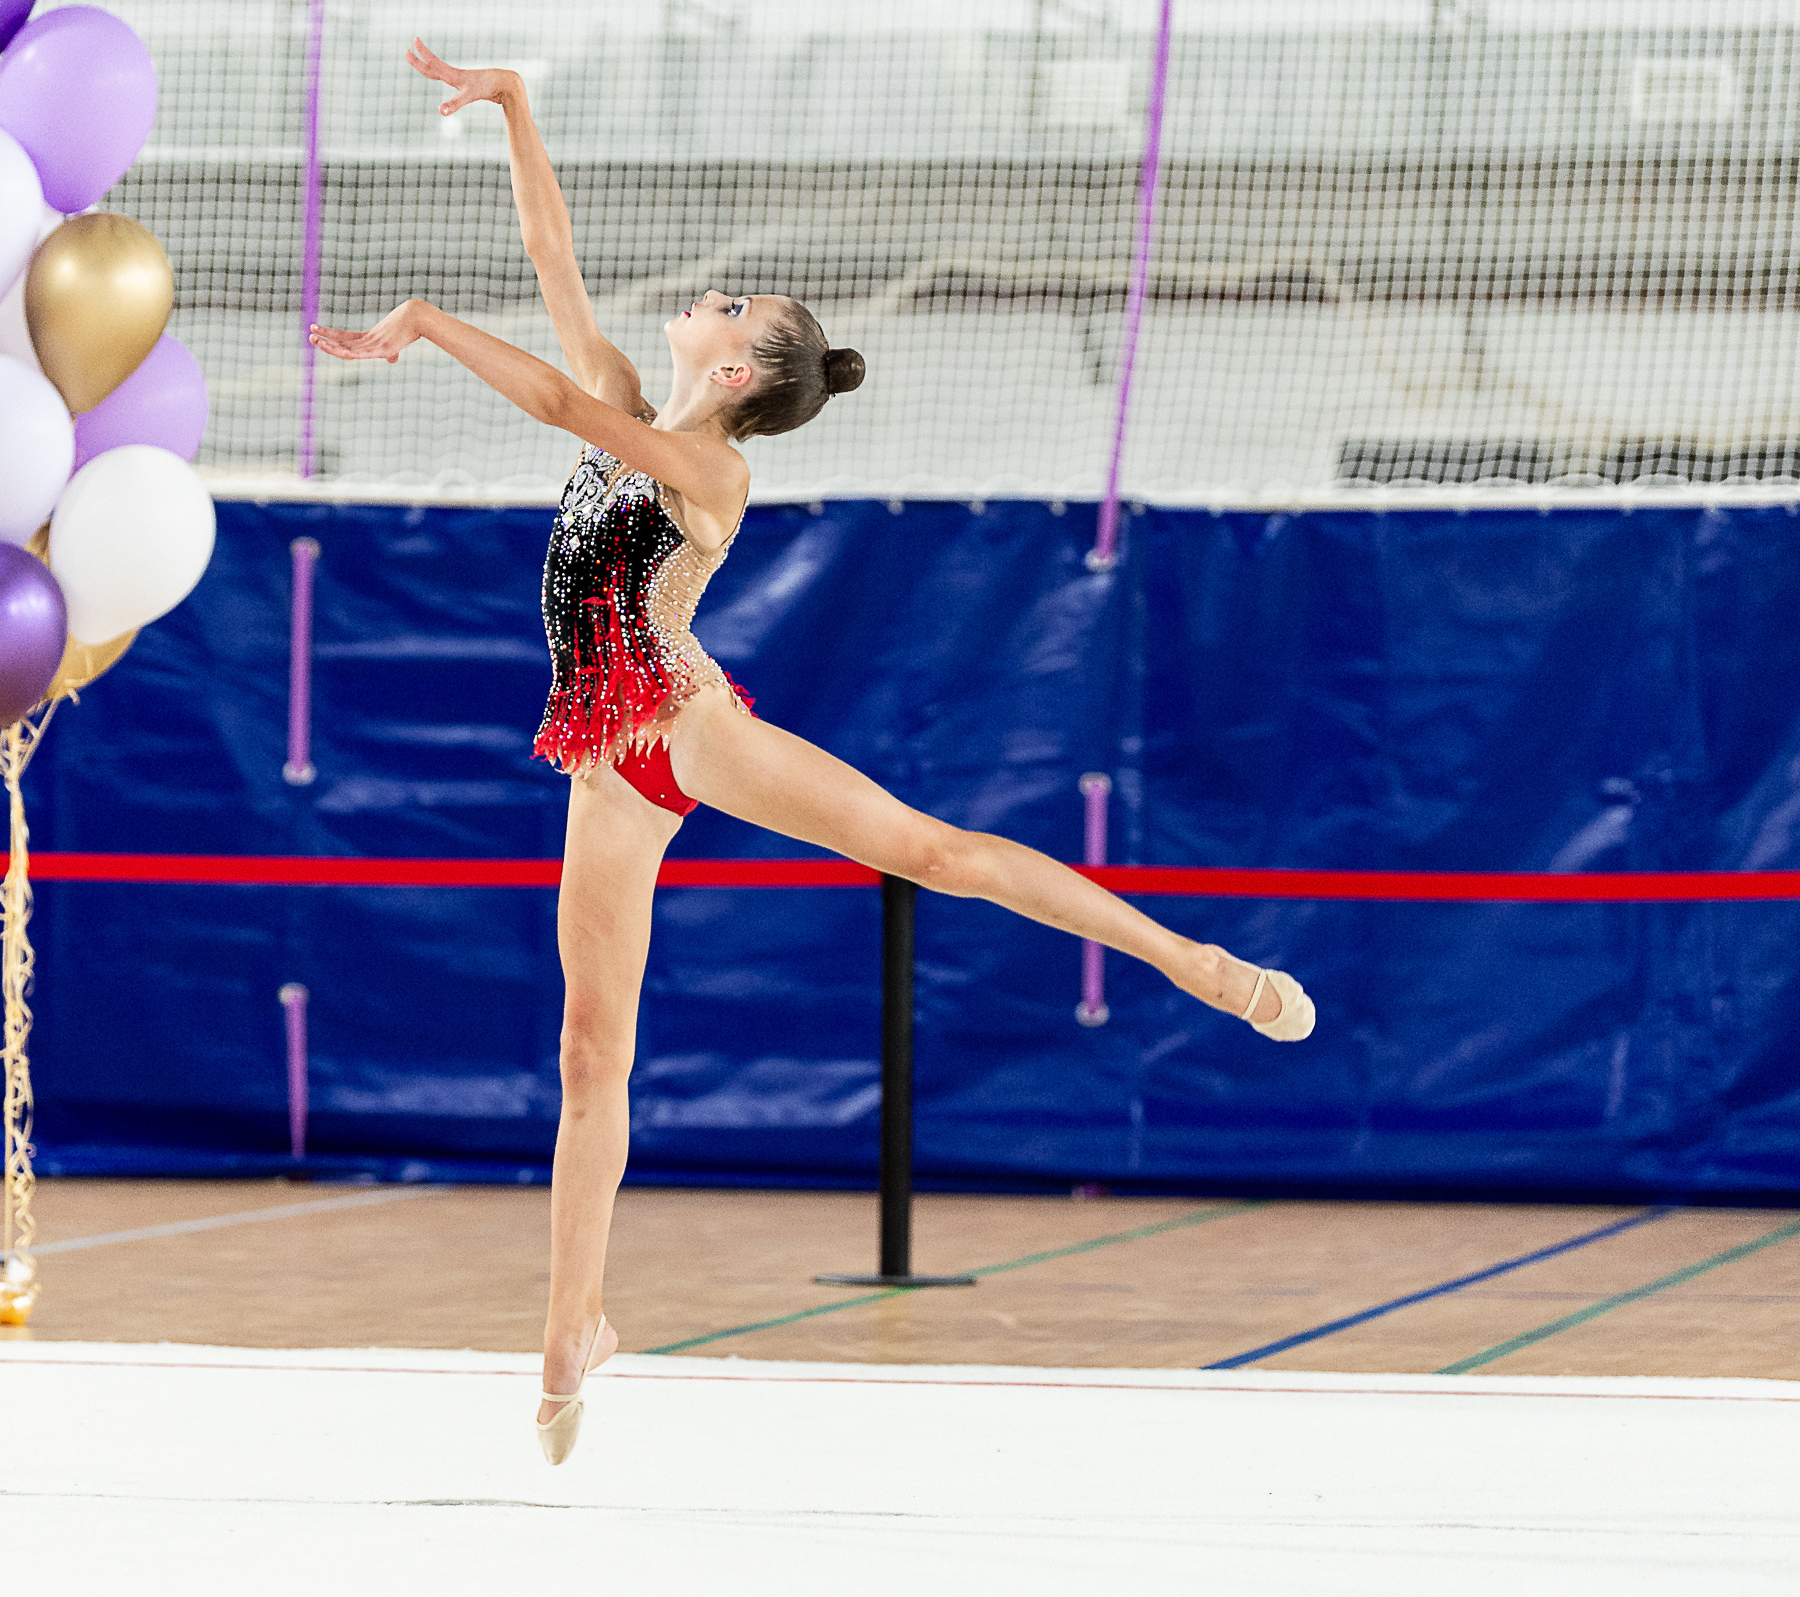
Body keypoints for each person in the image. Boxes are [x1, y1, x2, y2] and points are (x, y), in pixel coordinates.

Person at [311, 39, 1315, 1466]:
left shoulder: (708, 469)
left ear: (734, 369)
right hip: (607, 770)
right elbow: (554, 253)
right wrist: (518, 104)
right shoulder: (635, 403)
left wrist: (420, 317)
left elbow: (550, 402)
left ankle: (1199, 965)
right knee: (592, 1054)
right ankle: (570, 1328)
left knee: (934, 851)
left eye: (728, 306)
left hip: (691, 728)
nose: (704, 298)